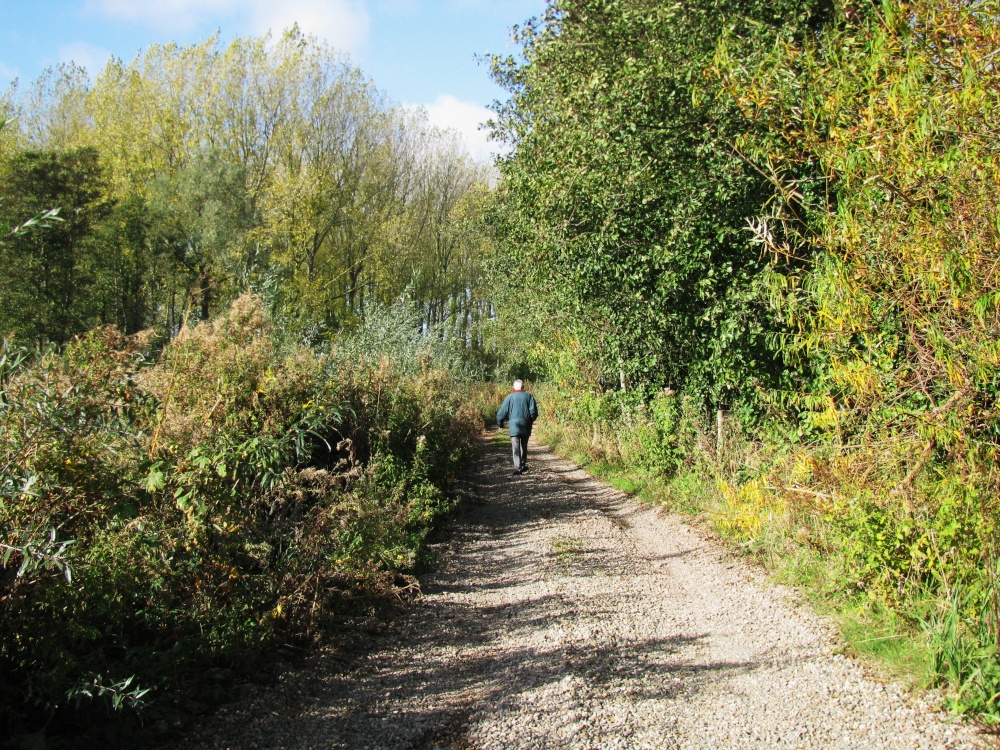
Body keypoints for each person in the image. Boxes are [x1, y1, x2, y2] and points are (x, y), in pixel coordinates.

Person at [497, 379, 539, 475]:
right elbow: (534, 412)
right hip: (525, 426)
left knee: (515, 447)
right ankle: (523, 465)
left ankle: (518, 467)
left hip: (514, 426)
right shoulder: (529, 397)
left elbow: (501, 413)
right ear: (523, 387)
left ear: (513, 388)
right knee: (524, 446)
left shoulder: (509, 398)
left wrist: (500, 423)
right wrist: (529, 421)